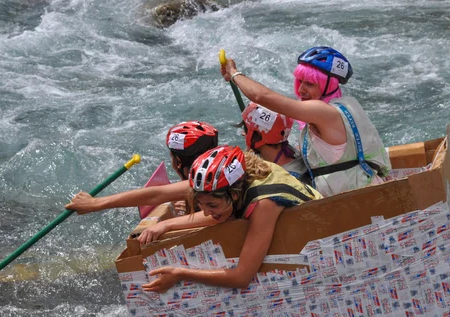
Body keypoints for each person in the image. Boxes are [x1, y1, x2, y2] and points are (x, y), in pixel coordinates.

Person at [137, 145, 322, 292]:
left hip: (320, 233)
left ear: (233, 196)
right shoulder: (243, 176)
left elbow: (241, 278)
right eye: (201, 204)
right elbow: (220, 214)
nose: (206, 212)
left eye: (212, 205)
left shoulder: (263, 205)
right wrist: (167, 225)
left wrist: (180, 274)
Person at [220, 46, 391, 197]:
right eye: (300, 81)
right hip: (359, 193)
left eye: (310, 84)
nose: (301, 89)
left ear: (328, 86)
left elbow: (262, 97)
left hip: (360, 200)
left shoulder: (325, 112)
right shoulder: (345, 104)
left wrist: (234, 73)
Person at [65, 121, 218, 215]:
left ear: (178, 161)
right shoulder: (220, 169)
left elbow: (155, 195)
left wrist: (95, 204)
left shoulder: (203, 183)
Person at [241, 102, 307, 180]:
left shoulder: (283, 180)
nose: (243, 133)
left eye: (246, 130)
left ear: (257, 136)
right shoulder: (294, 152)